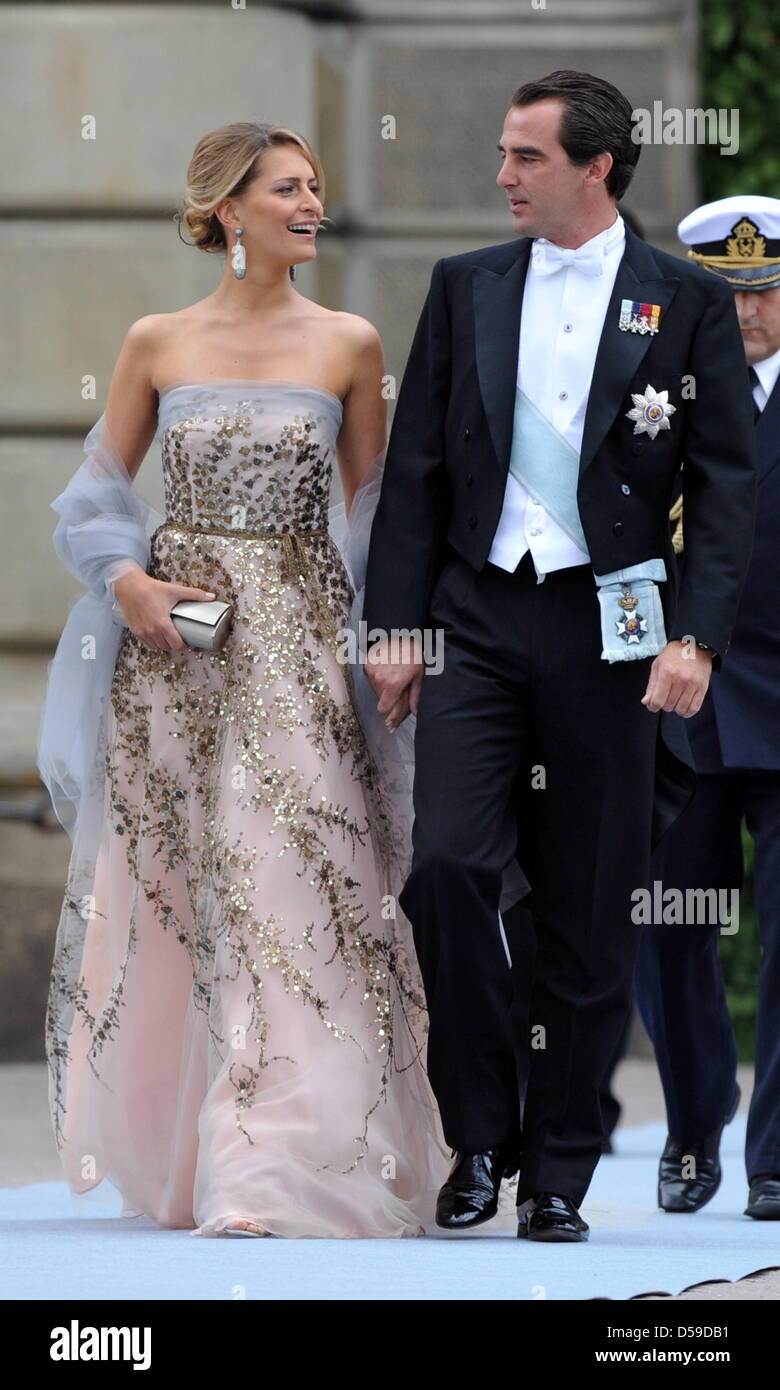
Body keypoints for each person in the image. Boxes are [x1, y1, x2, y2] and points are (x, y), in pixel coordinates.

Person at [38, 121, 456, 1239]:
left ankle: (268, 1173)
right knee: (180, 889)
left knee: (290, 886)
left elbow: (377, 515)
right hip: (175, 655)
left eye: (316, 185)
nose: (313, 202)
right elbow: (93, 491)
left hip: (302, 651)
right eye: (288, 188)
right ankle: (185, 1157)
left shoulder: (351, 343)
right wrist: (126, 579)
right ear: (231, 211)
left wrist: (395, 640)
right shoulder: (156, 341)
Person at [363, 70, 757, 1242]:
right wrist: (396, 627)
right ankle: (478, 1133)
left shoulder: (681, 298)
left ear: (596, 167)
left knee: (589, 910)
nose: (502, 178)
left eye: (525, 157)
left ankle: (559, 1172)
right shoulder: (466, 284)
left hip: (615, 633)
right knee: (447, 867)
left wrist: (696, 638)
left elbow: (724, 484)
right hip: (482, 617)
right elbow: (420, 472)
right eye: (502, 154)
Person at [634, 196, 780, 1221]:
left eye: (766, 290)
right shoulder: (646, 397)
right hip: (670, 700)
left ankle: (776, 1156)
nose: (747, 314)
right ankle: (694, 1126)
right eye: (725, 295)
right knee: (666, 925)